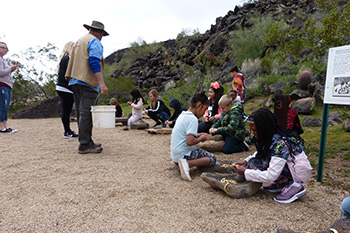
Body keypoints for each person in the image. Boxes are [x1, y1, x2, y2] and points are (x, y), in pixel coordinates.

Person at [234, 108, 312, 203]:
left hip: (297, 172)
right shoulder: (269, 137)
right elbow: (262, 152)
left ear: (265, 128)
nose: (254, 134)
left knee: (256, 165)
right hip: (290, 168)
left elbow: (272, 174)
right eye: (252, 130)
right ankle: (282, 183)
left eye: (256, 130)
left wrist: (246, 172)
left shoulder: (279, 144)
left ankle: (294, 185)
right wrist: (246, 161)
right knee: (254, 162)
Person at [65, 20, 109, 154]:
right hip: (87, 82)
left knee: (80, 112)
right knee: (86, 113)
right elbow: (94, 61)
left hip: (75, 81)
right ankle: (84, 145)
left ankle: (87, 140)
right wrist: (101, 83)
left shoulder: (79, 41)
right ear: (100, 33)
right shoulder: (95, 41)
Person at [171, 91, 217, 181]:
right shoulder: (193, 119)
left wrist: (198, 134)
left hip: (175, 157)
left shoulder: (183, 115)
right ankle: (187, 164)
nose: (203, 113)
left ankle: (183, 163)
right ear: (199, 105)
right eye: (204, 110)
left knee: (200, 152)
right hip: (185, 155)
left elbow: (185, 133)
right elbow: (189, 142)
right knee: (212, 158)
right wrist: (200, 139)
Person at [56, 41, 78, 139]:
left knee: (66, 110)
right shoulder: (68, 58)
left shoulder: (63, 58)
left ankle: (67, 130)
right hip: (66, 89)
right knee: (66, 111)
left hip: (61, 88)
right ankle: (67, 131)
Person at [0, 42, 20, 133]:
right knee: (2, 106)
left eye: (6, 48)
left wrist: (13, 69)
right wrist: (10, 68)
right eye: (3, 47)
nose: (5, 49)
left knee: (6, 107)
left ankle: (5, 126)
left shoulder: (3, 60)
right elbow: (0, 73)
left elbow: (6, 72)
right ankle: (1, 127)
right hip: (2, 86)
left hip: (7, 86)